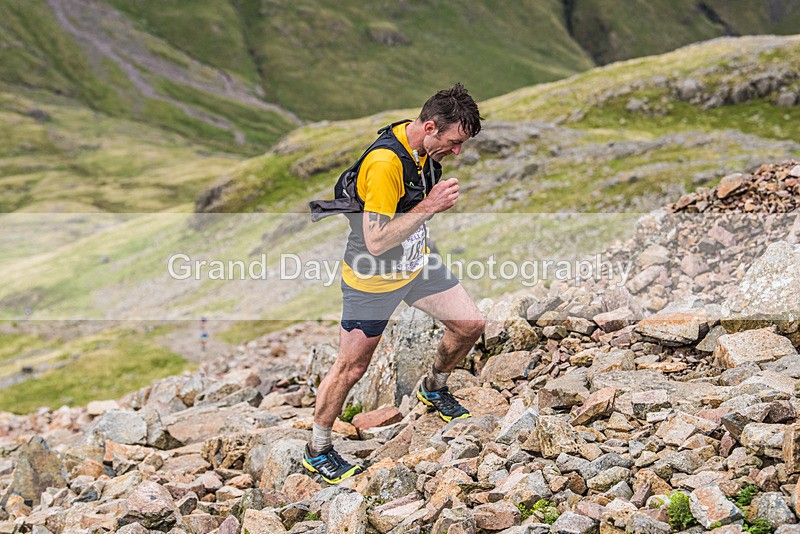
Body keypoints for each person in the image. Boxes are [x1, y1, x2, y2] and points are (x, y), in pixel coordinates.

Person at [303, 83, 486, 484]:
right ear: (431, 126)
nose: (456, 153)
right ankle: (317, 448)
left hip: (416, 264)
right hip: (373, 276)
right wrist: (431, 205)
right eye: (453, 143)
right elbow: (376, 239)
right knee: (352, 367)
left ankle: (434, 387)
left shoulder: (418, 140)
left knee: (470, 324)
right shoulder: (387, 164)